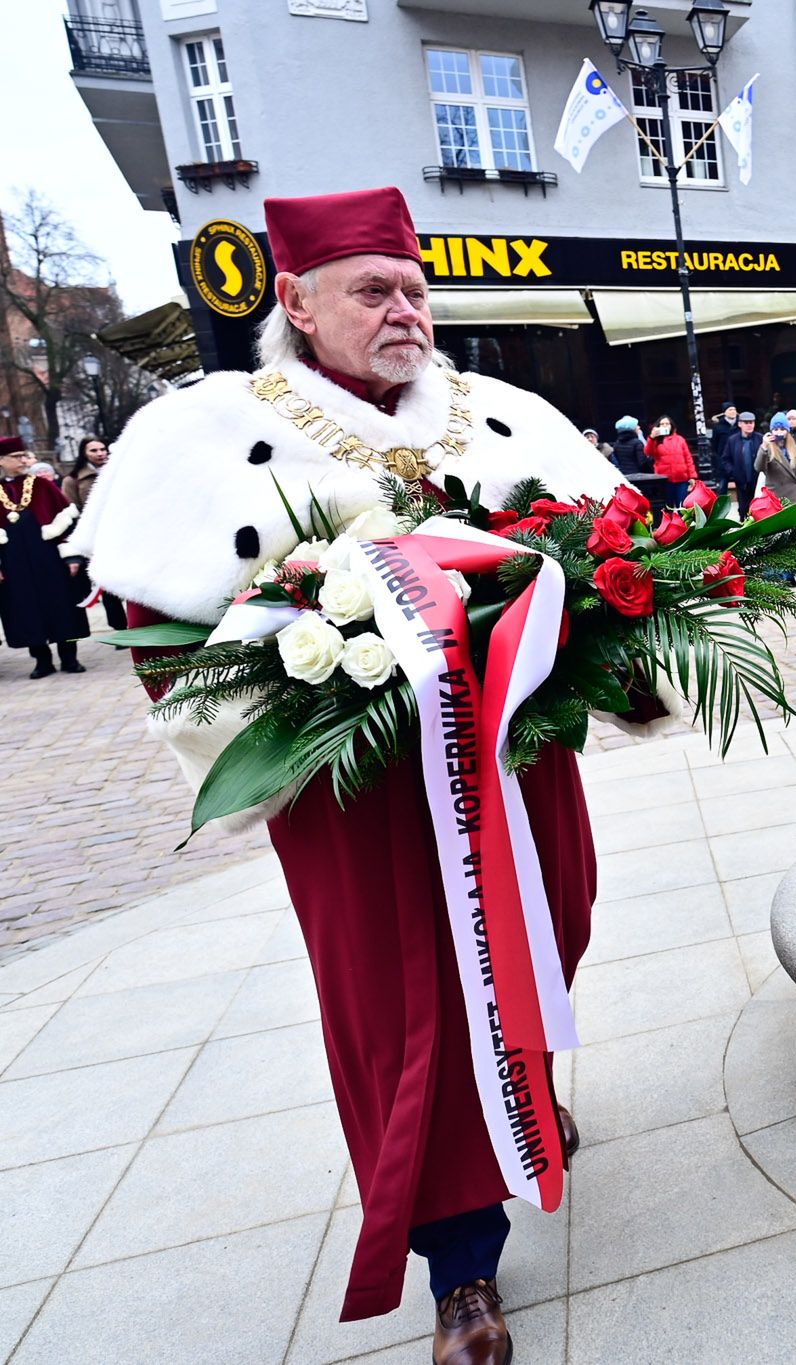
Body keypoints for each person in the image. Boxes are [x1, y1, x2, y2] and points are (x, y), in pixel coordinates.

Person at [68, 185, 640, 1364]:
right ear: (297, 302)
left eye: (416, 291)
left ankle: (521, 1094)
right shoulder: (208, 428)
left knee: (550, 932)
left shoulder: (498, 410)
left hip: (518, 765)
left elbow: (615, 546)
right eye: (374, 291)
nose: (405, 313)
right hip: (358, 800)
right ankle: (462, 1271)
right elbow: (153, 625)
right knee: (406, 1011)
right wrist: (282, 692)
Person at [1, 437, 90, 677]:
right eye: (16, 456)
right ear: (2, 461)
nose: (22, 460)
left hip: (49, 559)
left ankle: (69, 658)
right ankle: (42, 660)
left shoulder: (43, 485)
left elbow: (68, 523)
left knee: (61, 605)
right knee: (25, 609)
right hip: (14, 563)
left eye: (23, 455)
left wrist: (72, 558)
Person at [62, 434, 126, 629]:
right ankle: (119, 628)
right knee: (107, 586)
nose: (100, 454)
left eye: (102, 449)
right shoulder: (72, 480)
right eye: (93, 450)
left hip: (125, 533)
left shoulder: (120, 471)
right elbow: (72, 512)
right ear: (84, 453)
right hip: (98, 539)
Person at [755, 414, 796, 508]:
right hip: (778, 500)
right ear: (771, 432)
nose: (779, 432)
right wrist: (764, 446)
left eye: (782, 429)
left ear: (787, 431)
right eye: (775, 429)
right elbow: (758, 467)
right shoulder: (767, 450)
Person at [645, 413, 695, 507]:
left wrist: (692, 476)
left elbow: (688, 458)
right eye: (662, 424)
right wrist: (651, 437)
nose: (665, 426)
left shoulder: (680, 439)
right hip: (665, 479)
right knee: (668, 507)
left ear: (671, 425)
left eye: (667, 424)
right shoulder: (655, 440)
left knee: (682, 506)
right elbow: (648, 452)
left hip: (682, 478)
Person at [719, 411, 761, 498]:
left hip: (758, 481)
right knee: (743, 510)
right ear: (739, 424)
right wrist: (733, 472)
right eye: (746, 423)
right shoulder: (733, 440)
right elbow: (725, 459)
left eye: (751, 422)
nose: (749, 425)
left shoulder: (760, 438)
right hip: (741, 483)